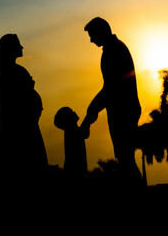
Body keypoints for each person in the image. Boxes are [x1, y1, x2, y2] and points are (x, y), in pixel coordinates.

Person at [81, 17, 141, 182]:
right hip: (124, 109)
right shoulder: (114, 49)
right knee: (125, 159)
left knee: (126, 159)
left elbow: (111, 89)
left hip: (123, 111)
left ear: (101, 32)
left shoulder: (114, 51)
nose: (92, 40)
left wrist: (89, 116)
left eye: (93, 36)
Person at [0, 34, 48, 171]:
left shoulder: (14, 70)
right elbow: (20, 97)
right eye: (18, 45)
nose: (22, 47)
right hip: (22, 125)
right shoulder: (13, 71)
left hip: (26, 122)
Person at [54, 106, 87, 178]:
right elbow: (85, 133)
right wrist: (87, 121)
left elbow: (85, 133)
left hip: (73, 169)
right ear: (69, 119)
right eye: (72, 112)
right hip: (76, 170)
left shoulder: (71, 131)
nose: (74, 112)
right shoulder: (72, 131)